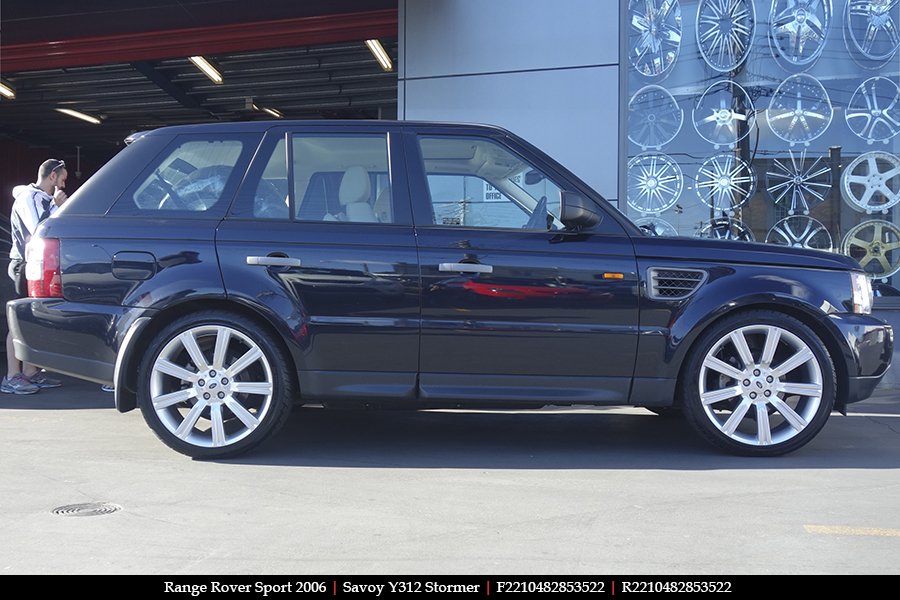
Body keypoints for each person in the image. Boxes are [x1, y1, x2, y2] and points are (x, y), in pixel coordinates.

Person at [2, 159, 69, 394]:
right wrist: (56, 206)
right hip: (24, 265)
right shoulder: (30, 198)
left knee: (34, 319)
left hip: (38, 266)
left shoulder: (41, 198)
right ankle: (12, 376)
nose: (62, 185)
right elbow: (39, 229)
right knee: (19, 321)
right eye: (62, 179)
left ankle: (30, 372)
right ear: (52, 176)